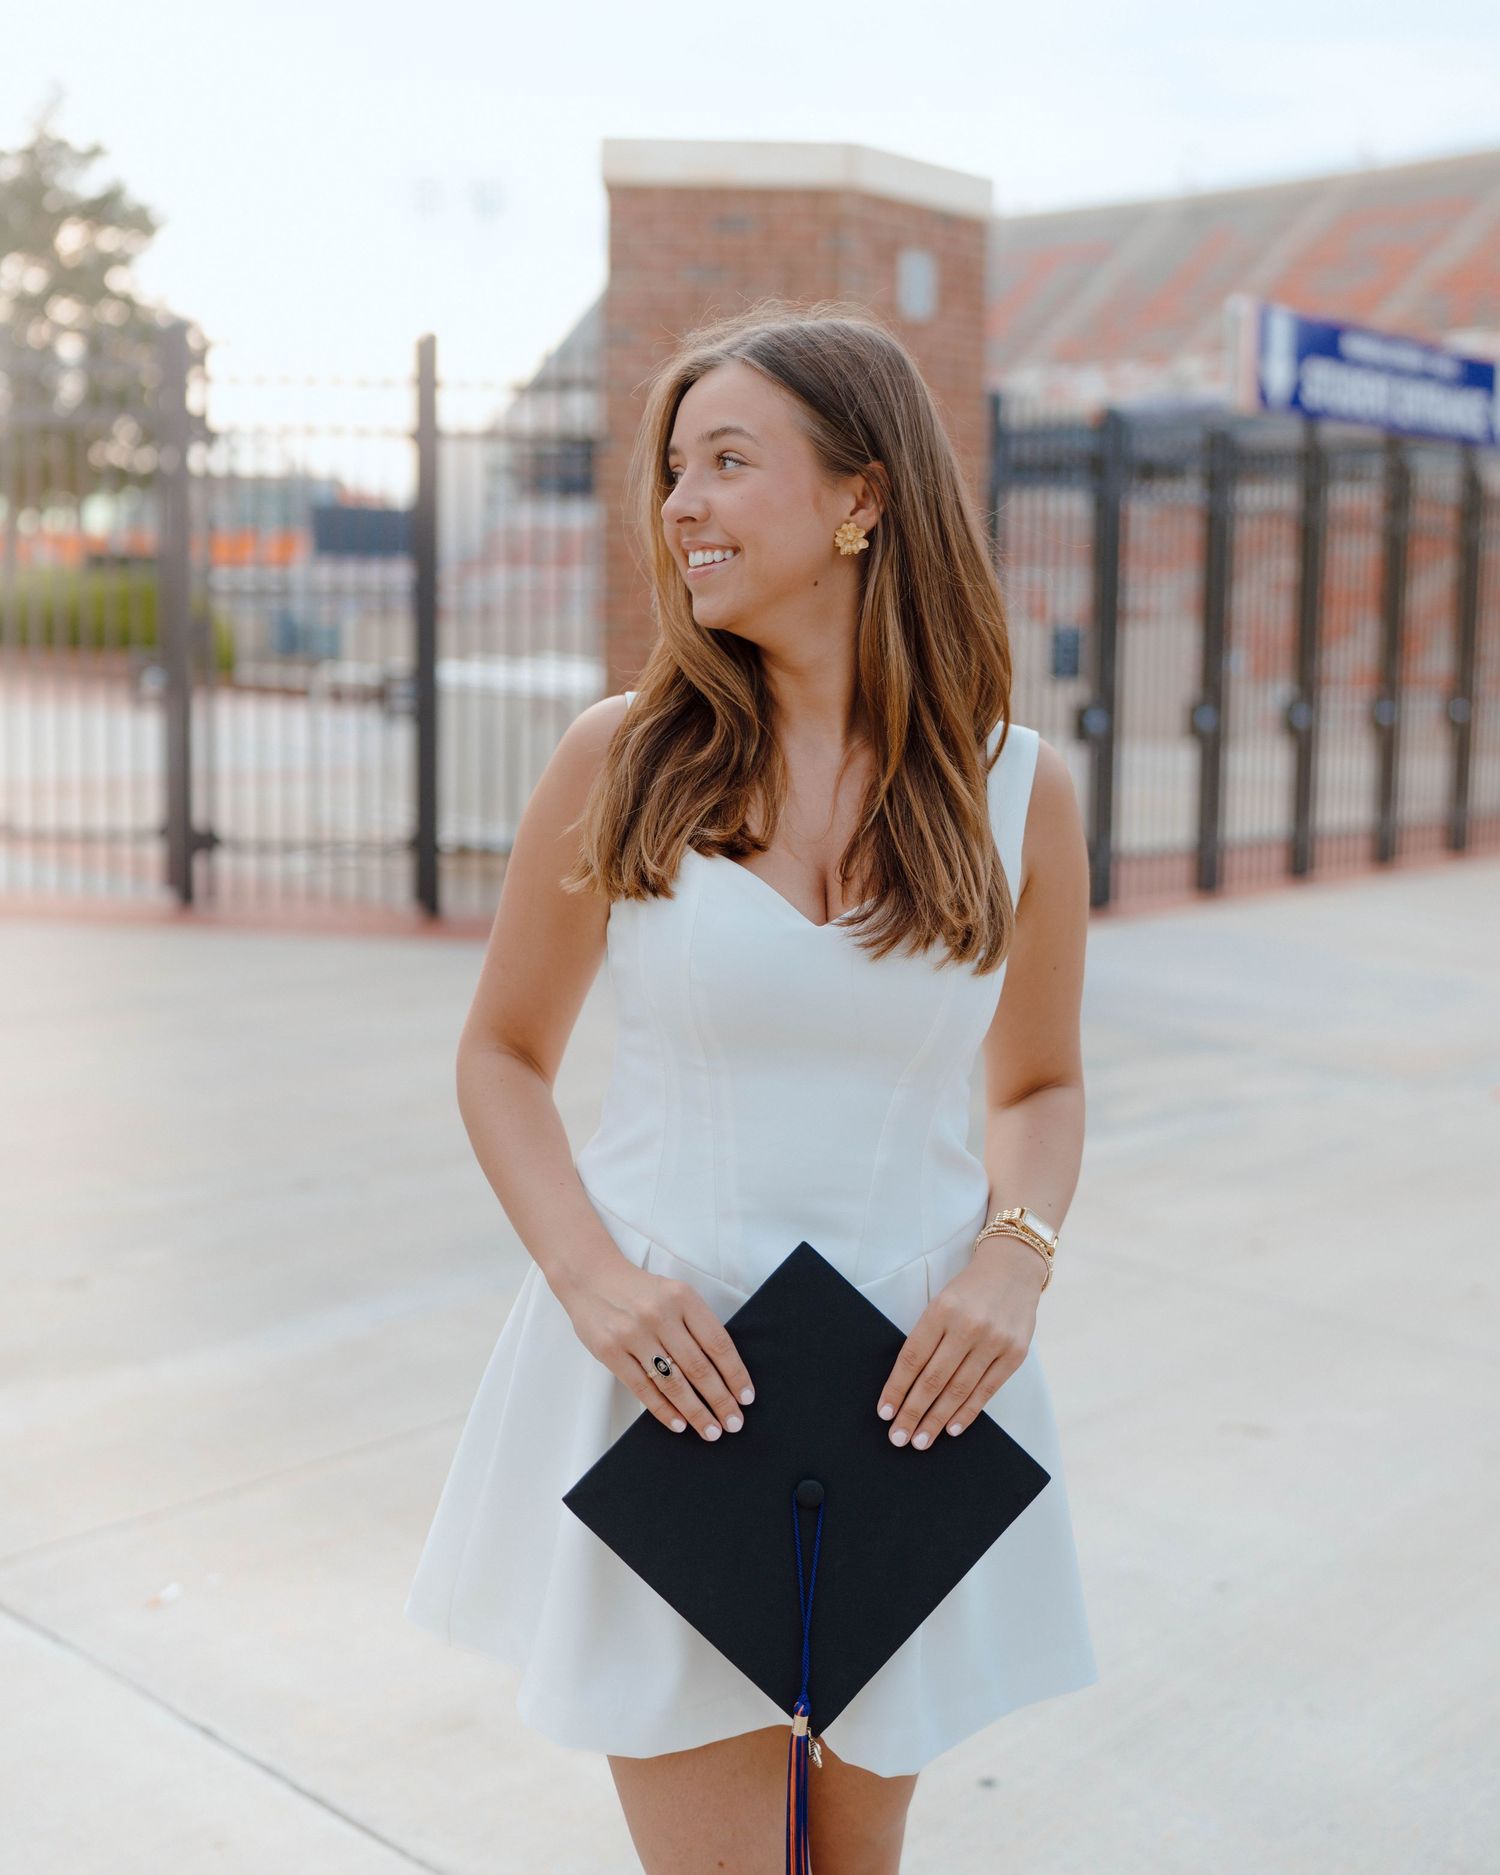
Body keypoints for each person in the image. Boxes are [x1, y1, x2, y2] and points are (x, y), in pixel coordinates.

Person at [403, 300, 1099, 1875]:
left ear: (863, 498)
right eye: (674, 468)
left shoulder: (1017, 789)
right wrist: (595, 1283)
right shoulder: (622, 757)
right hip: (671, 1380)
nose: (682, 505)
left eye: (729, 461)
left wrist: (1018, 1254)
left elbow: (1043, 1080)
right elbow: (501, 1057)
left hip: (909, 1395)